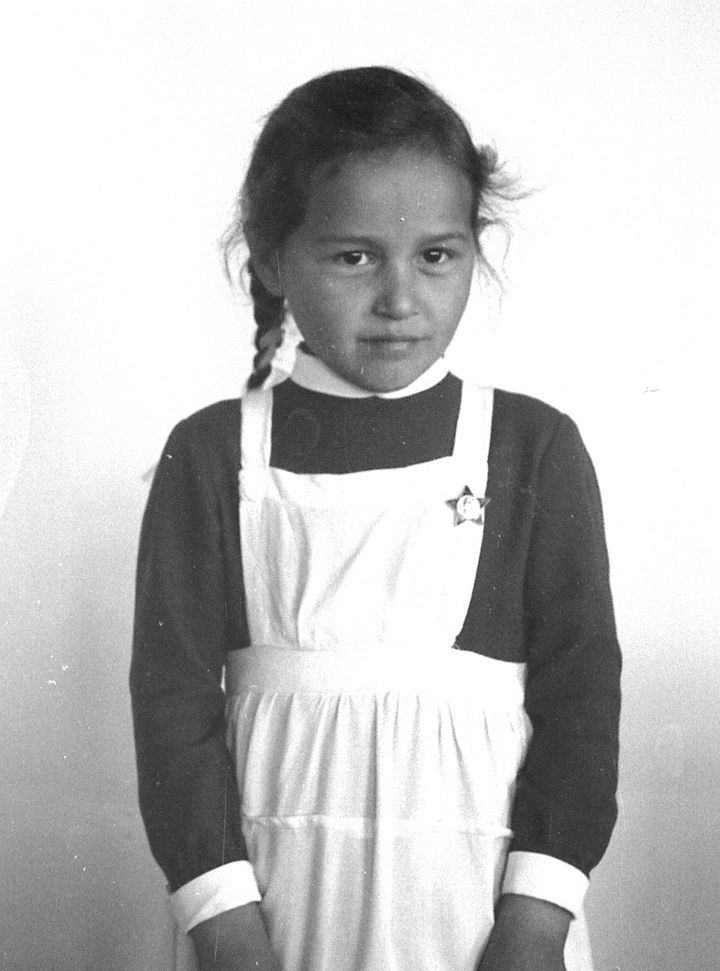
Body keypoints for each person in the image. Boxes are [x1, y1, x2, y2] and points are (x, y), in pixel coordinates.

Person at [130, 66, 621, 971]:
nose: (399, 298)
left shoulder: (534, 448)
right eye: (354, 257)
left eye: (436, 256)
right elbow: (171, 711)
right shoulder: (209, 455)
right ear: (271, 261)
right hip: (272, 913)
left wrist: (537, 918)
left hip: (484, 915)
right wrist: (224, 925)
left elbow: (582, 698)